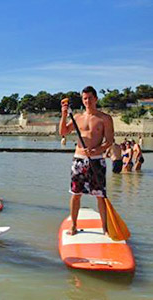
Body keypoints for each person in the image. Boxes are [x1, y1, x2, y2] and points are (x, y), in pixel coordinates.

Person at [59, 86, 114, 236]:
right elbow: (63, 132)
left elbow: (109, 141)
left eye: (90, 97)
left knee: (100, 196)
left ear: (96, 98)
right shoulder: (77, 118)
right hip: (79, 160)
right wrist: (64, 115)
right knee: (76, 194)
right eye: (84, 98)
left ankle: (105, 229)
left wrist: (97, 150)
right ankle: (74, 226)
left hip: (96, 161)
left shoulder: (105, 118)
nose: (87, 101)